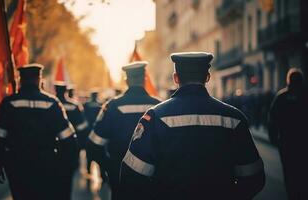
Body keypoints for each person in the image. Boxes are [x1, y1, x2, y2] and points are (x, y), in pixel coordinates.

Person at [120, 52, 265, 200]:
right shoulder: (234, 118)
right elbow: (254, 177)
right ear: (207, 77)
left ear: (176, 78)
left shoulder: (155, 117)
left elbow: (131, 176)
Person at [0, 64, 79, 200]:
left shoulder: (9, 103)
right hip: (46, 165)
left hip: (16, 165)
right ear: (39, 79)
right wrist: (66, 165)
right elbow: (68, 138)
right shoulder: (52, 103)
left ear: (21, 80)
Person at [86, 61, 160, 200]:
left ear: (126, 80)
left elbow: (94, 143)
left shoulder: (113, 106)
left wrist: (108, 166)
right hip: (151, 175)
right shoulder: (158, 106)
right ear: (145, 78)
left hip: (119, 173)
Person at [268, 68, 308, 200]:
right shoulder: (305, 96)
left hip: (286, 142)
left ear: (288, 80)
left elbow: (272, 119)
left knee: (289, 172)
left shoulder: (281, 97)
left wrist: (273, 138)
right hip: (303, 142)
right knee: (303, 170)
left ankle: (293, 194)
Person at [54, 83, 90, 150]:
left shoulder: (52, 104)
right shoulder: (75, 105)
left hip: (55, 140)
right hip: (73, 139)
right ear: (66, 92)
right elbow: (82, 125)